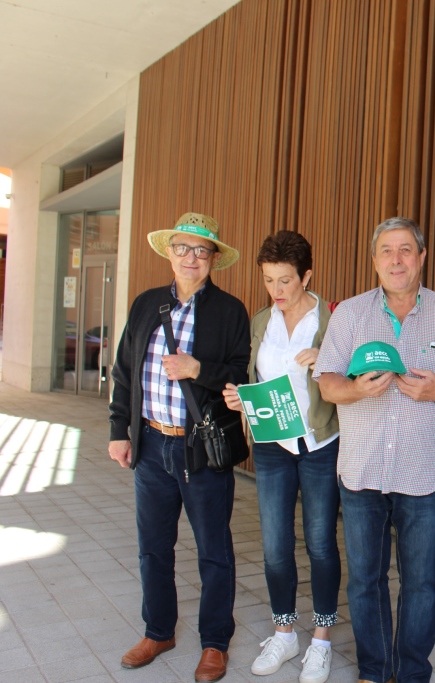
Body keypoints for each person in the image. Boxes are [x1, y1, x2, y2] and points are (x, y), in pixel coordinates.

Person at [314, 217, 435, 683]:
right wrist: (356, 390)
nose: (396, 259)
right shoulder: (349, 313)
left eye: (406, 249)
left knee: (421, 584)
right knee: (366, 581)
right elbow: (327, 381)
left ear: (421, 257)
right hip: (362, 471)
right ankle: (374, 669)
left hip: (425, 474)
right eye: (386, 251)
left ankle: (412, 673)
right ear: (374, 261)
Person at [108, 212, 249, 682]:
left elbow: (240, 377)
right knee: (153, 547)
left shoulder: (230, 311)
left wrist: (197, 369)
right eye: (183, 249)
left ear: (214, 260)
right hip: (150, 445)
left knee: (213, 550)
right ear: (170, 252)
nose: (191, 258)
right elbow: (125, 370)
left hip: (200, 450)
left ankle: (215, 643)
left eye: (201, 251)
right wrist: (118, 430)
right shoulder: (147, 304)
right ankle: (158, 630)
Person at [222, 231, 340, 683]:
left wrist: (328, 358)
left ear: (307, 276)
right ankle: (285, 633)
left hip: (319, 444)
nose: (277, 289)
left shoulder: (333, 318)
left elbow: (358, 370)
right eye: (269, 279)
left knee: (320, 543)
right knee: (274, 546)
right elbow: (253, 376)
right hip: (272, 444)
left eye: (286, 280)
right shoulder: (259, 322)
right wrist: (240, 399)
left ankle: (322, 640)